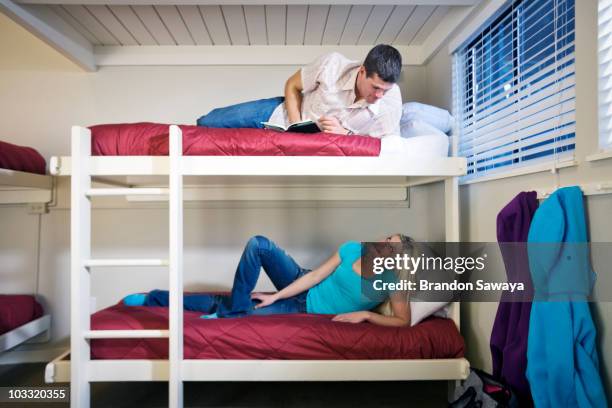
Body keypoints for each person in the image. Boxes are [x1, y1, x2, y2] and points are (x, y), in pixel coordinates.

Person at [124, 234, 413, 327]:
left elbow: (403, 321)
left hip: (305, 310)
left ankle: (153, 298)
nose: (385, 243)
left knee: (224, 303)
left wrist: (364, 315)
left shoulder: (393, 282)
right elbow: (315, 275)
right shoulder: (353, 248)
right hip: (301, 283)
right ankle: (233, 310)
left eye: (393, 246)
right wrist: (275, 296)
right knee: (258, 244)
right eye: (388, 237)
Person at [196, 44, 403, 139]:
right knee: (208, 123)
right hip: (281, 114)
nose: (378, 96)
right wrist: (295, 128)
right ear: (362, 71)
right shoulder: (332, 64)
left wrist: (346, 134)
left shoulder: (390, 103)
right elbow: (292, 85)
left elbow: (387, 145)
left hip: (318, 137)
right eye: (375, 88)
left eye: (385, 90)